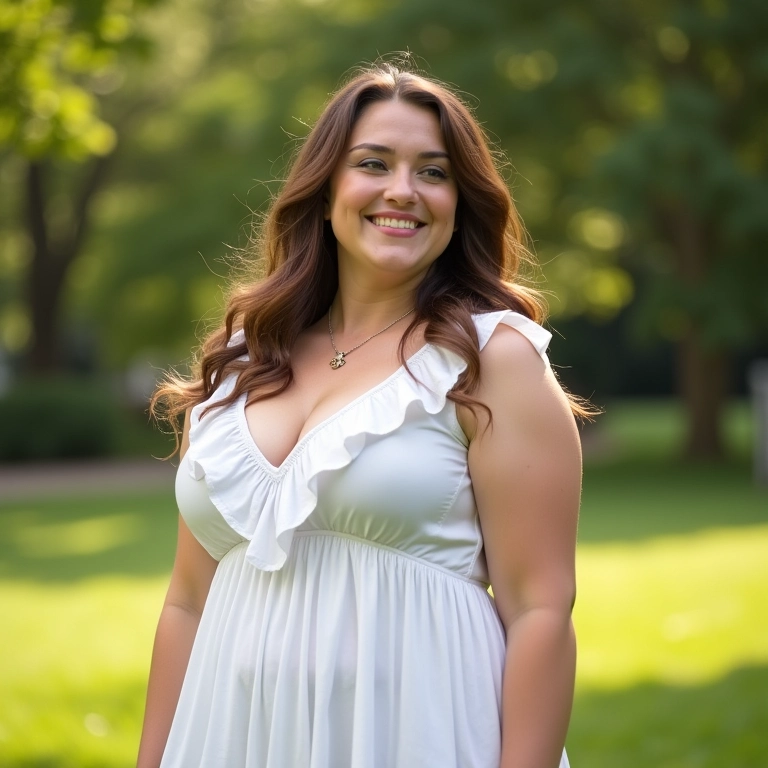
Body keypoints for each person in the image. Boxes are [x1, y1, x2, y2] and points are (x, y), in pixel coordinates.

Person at [137, 60, 588, 768]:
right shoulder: (239, 360)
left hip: (420, 734)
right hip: (232, 737)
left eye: (434, 172)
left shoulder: (493, 362)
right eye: (373, 163)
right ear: (325, 191)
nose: (402, 191)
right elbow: (187, 602)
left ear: (460, 202)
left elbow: (540, 611)